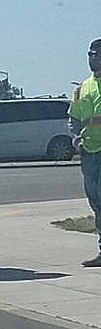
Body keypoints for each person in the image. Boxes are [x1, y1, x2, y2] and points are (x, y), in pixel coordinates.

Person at [68, 39, 101, 267]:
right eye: (90, 54)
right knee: (96, 203)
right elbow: (73, 120)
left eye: (96, 54)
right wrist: (77, 140)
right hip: (89, 153)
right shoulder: (82, 88)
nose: (92, 58)